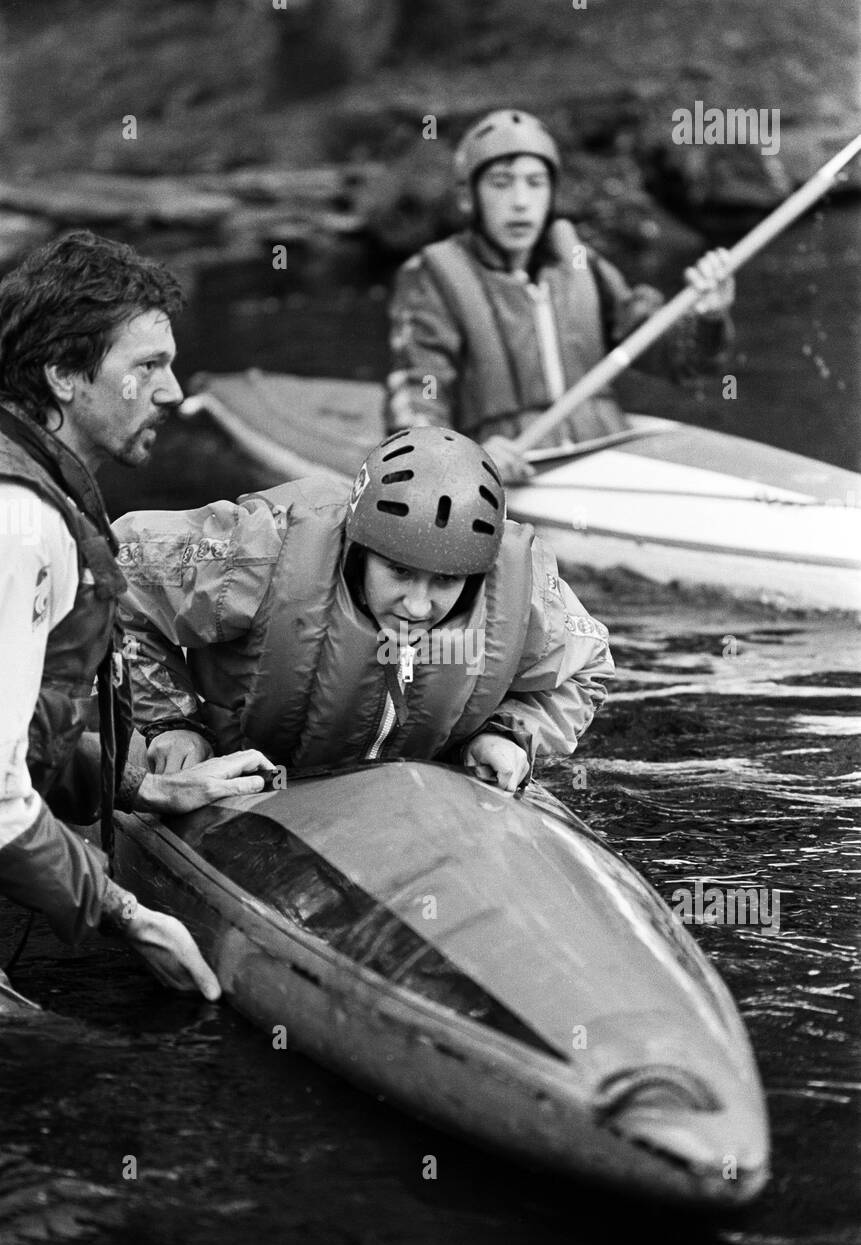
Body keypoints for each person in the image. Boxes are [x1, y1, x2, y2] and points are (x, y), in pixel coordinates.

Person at [0, 230, 274, 1003]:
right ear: (62, 373)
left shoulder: (33, 490)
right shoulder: (17, 524)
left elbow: (20, 733)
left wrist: (142, 784)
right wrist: (127, 915)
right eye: (147, 366)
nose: (174, 391)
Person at [113, 426, 615, 791]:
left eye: (445, 581)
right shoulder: (263, 552)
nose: (419, 606)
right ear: (359, 549)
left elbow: (586, 667)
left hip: (414, 790)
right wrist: (173, 722)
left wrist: (507, 733)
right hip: (247, 774)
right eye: (398, 572)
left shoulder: (521, 591)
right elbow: (118, 575)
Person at [385, 109, 736, 483]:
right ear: (468, 196)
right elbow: (417, 401)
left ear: (551, 193)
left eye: (535, 183)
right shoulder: (432, 277)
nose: (520, 201)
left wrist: (707, 317)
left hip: (603, 456)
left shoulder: (580, 261)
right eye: (501, 183)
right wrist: (464, 458)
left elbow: (681, 364)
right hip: (507, 471)